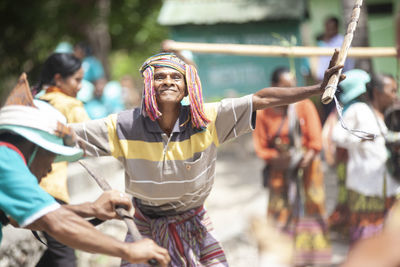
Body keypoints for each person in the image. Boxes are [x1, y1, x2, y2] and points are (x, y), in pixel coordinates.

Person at [70, 51, 343, 266]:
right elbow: (68, 135)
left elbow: (261, 98)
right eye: (160, 76)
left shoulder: (208, 118)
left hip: (195, 224)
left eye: (176, 77)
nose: (167, 82)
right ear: (149, 85)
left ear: (188, 88)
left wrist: (317, 88)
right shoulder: (124, 125)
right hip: (145, 224)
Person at [0, 74, 170, 266]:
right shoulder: (6, 161)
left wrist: (91, 209)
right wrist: (128, 250)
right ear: (35, 146)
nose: (49, 169)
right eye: (51, 158)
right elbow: (55, 221)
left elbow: (23, 219)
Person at [252, 67, 331, 266]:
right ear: (275, 87)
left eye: (292, 87)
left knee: (311, 209)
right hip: (279, 173)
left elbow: (315, 140)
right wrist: (279, 159)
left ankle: (313, 259)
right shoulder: (263, 113)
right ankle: (284, 257)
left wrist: (307, 155)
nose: (290, 91)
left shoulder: (304, 106)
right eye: (285, 87)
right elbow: (261, 148)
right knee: (280, 215)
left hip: (308, 171)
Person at [32, 52, 91, 267]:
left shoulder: (34, 99)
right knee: (65, 255)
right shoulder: (69, 105)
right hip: (51, 190)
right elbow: (94, 138)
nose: (81, 86)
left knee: (56, 250)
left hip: (29, 183)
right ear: (58, 79)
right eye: (77, 79)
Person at [331, 70, 399, 244]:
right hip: (364, 187)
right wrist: (359, 138)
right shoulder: (358, 110)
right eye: (392, 91)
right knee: (365, 237)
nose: (395, 95)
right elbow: (336, 136)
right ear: (377, 92)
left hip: (390, 186)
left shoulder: (393, 113)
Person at [316, 16, 355, 123]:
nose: (328, 30)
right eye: (327, 27)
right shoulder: (323, 43)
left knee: (335, 113)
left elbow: (348, 65)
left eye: (331, 27)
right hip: (323, 83)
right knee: (325, 112)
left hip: (337, 82)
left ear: (336, 28)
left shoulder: (342, 42)